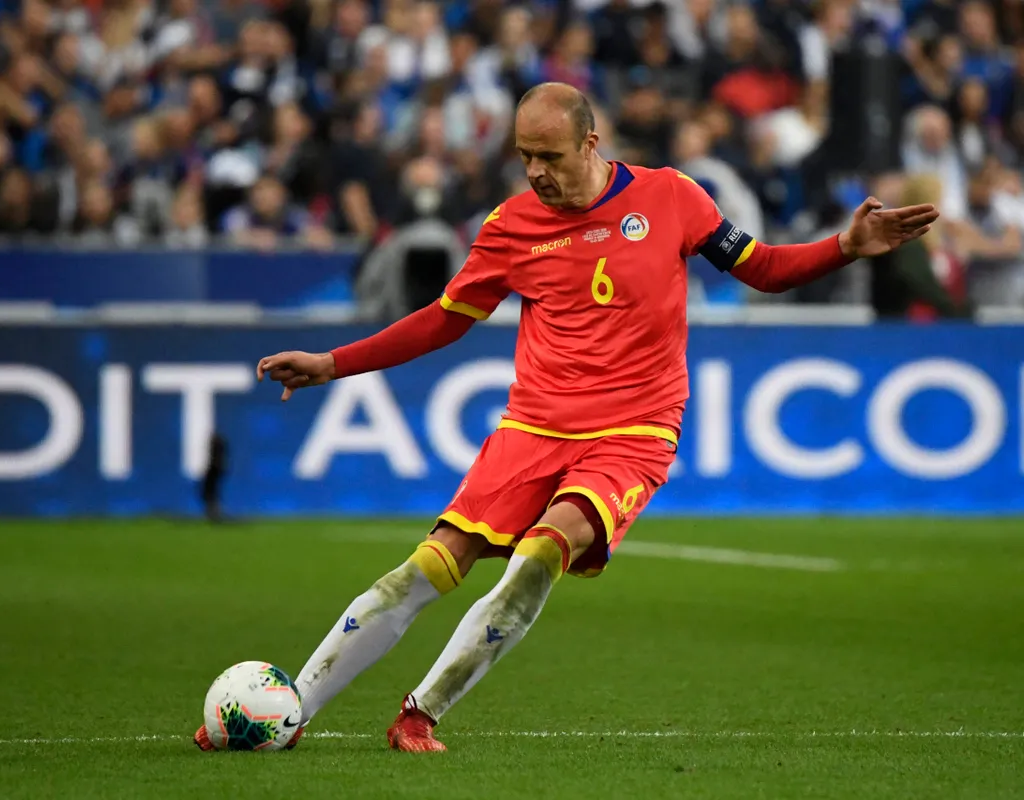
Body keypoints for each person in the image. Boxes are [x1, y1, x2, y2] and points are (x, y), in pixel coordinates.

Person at [206, 82, 937, 754]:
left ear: (591, 143)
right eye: (524, 156)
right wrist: (334, 363)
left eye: (549, 156)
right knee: (426, 568)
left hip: (634, 432)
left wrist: (845, 247)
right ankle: (289, 713)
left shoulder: (672, 196)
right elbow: (443, 319)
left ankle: (420, 713)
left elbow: (763, 268)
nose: (535, 172)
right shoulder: (511, 226)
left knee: (544, 552)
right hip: (533, 427)